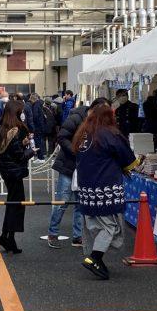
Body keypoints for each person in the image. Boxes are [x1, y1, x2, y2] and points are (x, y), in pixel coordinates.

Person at [73, 103, 140, 280]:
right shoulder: (111, 134)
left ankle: (96, 259)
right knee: (111, 227)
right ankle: (94, 258)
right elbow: (129, 160)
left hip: (86, 189)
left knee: (95, 226)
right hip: (105, 188)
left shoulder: (84, 134)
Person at [47, 97, 111, 249]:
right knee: (62, 201)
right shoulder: (76, 116)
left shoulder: (98, 122)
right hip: (69, 165)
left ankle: (78, 236)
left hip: (85, 168)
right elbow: (62, 137)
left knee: (80, 204)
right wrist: (76, 151)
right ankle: (53, 233)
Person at [0, 100, 35, 254]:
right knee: (15, 205)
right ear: (16, 112)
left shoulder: (0, 128)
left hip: (6, 170)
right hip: (15, 171)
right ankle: (8, 238)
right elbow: (19, 156)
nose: (23, 114)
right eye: (21, 111)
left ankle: (6, 236)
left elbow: (8, 150)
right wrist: (31, 151)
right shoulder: (17, 129)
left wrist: (22, 145)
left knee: (12, 203)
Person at [29, 93, 47, 161]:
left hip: (37, 126)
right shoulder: (40, 104)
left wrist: (32, 121)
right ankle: (40, 157)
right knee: (39, 141)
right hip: (41, 125)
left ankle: (41, 157)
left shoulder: (36, 105)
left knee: (38, 141)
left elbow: (35, 116)